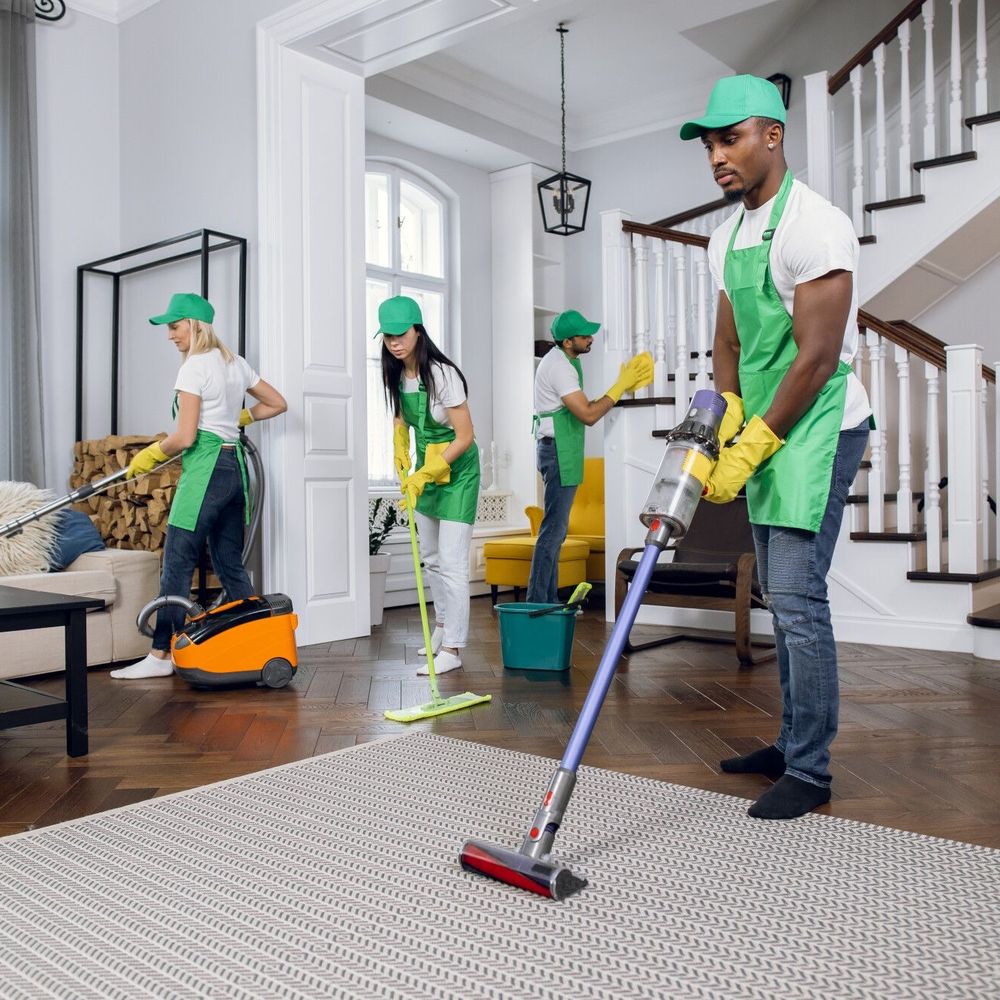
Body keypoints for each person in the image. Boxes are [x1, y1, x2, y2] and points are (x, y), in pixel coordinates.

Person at [680, 75, 873, 818]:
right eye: (708, 145)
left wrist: (759, 439)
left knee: (796, 597)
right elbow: (727, 338)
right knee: (780, 594)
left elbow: (818, 356)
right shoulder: (723, 233)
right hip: (763, 423)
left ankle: (812, 771)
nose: (716, 157)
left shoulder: (816, 225)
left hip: (818, 420)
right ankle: (790, 744)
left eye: (729, 139)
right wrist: (726, 408)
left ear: (773, 135)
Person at [110, 292, 287, 679]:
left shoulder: (193, 367)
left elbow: (185, 436)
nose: (170, 335)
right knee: (229, 564)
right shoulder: (235, 363)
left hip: (205, 471)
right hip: (236, 471)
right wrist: (240, 416)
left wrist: (151, 454)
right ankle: (257, 644)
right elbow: (277, 403)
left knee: (176, 563)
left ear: (194, 324)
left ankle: (159, 656)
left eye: (175, 326)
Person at [379, 295, 480, 676]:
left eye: (401, 334)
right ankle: (440, 630)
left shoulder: (442, 374)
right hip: (427, 473)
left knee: (453, 565)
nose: (394, 342)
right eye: (387, 336)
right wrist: (400, 450)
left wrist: (425, 472)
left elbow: (465, 436)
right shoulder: (395, 372)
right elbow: (401, 419)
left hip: (457, 475)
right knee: (432, 560)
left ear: (418, 330)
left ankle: (454, 648)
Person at [526, 310, 653, 605]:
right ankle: (537, 603)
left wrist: (620, 388)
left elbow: (586, 406)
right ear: (568, 341)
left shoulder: (566, 360)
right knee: (553, 531)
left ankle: (547, 601)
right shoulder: (559, 367)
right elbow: (588, 414)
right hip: (557, 453)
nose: (590, 339)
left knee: (555, 531)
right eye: (584, 336)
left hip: (560, 450)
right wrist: (619, 386)